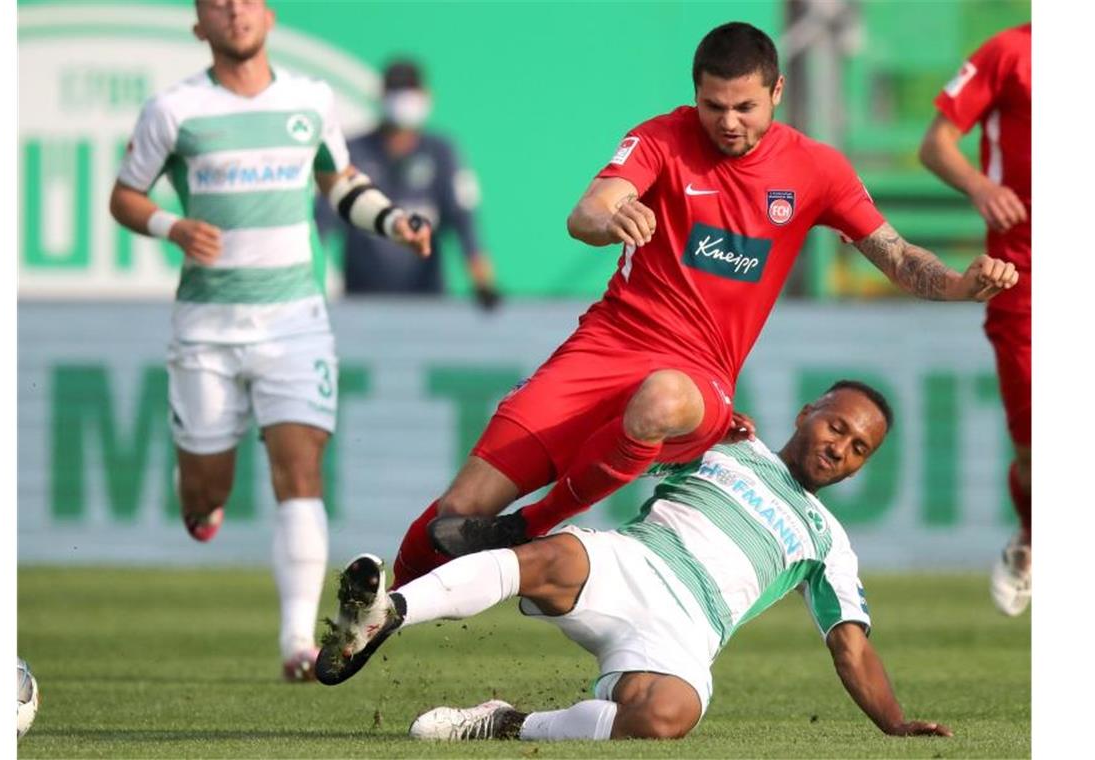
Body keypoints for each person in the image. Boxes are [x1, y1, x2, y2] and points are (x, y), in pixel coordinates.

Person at [389, 21, 1019, 588]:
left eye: (745, 106)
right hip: (604, 348)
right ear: (696, 94)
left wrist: (963, 285)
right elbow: (587, 211)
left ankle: (533, 523)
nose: (728, 122)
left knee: (663, 396)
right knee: (458, 513)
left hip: (700, 378)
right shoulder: (662, 137)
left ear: (777, 93)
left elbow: (898, 256)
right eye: (713, 106)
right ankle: (376, 613)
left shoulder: (817, 170)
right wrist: (611, 219)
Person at [317, 381, 953, 743]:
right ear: (806, 412)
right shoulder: (729, 443)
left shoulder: (828, 539)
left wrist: (893, 724)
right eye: (837, 426)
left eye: (859, 448)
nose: (841, 448)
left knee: (666, 718)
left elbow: (851, 646)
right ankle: (388, 609)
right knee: (547, 558)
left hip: (688, 631)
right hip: (633, 561)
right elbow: (627, 435)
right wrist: (695, 429)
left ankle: (506, 723)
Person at [107, 0, 431, 680]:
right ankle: (203, 504)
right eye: (217, 4)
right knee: (204, 490)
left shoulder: (310, 101)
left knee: (300, 470)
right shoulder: (175, 110)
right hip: (207, 327)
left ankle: (296, 644)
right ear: (200, 25)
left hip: (294, 321)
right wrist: (172, 225)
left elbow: (339, 183)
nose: (234, 10)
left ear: (269, 15)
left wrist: (393, 219)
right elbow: (124, 196)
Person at [918, 23, 1031, 617]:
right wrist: (981, 185)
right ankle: (1033, 534)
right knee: (1036, 443)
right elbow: (936, 143)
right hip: (1023, 277)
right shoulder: (1008, 52)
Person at [314, 59, 501, 308]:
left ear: (427, 96)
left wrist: (483, 284)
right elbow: (320, 227)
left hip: (427, 303)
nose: (403, 100)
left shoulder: (441, 152)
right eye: (396, 92)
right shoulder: (353, 152)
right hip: (362, 304)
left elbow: (464, 223)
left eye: (411, 92)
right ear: (381, 96)